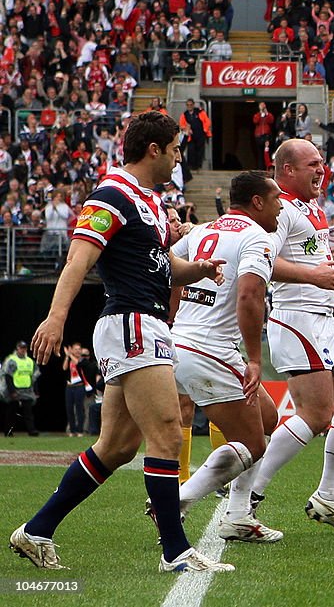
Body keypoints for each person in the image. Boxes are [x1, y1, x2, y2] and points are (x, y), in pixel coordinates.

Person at [10, 111, 231, 573]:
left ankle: (35, 530)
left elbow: (166, 265)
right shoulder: (112, 194)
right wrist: (54, 318)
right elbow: (78, 260)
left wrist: (201, 269)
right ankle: (176, 551)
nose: (177, 160)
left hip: (140, 324)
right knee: (169, 433)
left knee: (116, 447)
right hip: (131, 323)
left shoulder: (147, 199)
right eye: (174, 150)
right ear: (154, 150)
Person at [250, 138, 334, 535]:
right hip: (296, 318)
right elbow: (263, 263)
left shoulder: (313, 208)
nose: (322, 170)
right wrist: (316, 277)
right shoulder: (279, 208)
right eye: (313, 165)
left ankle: (329, 496)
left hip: (323, 319)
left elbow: (313, 260)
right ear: (288, 170)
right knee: (316, 414)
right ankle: (250, 490)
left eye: (322, 163)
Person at [167, 170, 285, 543]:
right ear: (257, 202)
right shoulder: (256, 238)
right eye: (276, 199)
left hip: (179, 342)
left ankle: (237, 513)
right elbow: (250, 296)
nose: (281, 207)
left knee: (268, 417)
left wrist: (171, 322)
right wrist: (254, 358)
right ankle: (177, 501)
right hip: (211, 348)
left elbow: (172, 275)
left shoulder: (202, 231)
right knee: (253, 443)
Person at [2, 341, 40, 436]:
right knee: (12, 412)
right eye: (21, 348)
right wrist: (12, 391)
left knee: (28, 413)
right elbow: (8, 376)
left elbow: (34, 377)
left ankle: (31, 431)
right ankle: (8, 431)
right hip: (15, 390)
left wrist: (36, 391)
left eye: (24, 348)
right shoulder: (12, 360)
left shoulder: (30, 361)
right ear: (17, 348)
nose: (23, 350)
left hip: (27, 391)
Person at [62, 343, 89, 437]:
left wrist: (70, 355)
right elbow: (64, 368)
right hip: (69, 387)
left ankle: (80, 430)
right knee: (69, 408)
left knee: (79, 409)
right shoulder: (70, 360)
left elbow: (78, 364)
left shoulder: (83, 360)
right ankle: (72, 430)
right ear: (72, 350)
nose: (77, 351)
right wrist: (67, 356)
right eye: (75, 349)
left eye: (79, 349)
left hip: (79, 386)